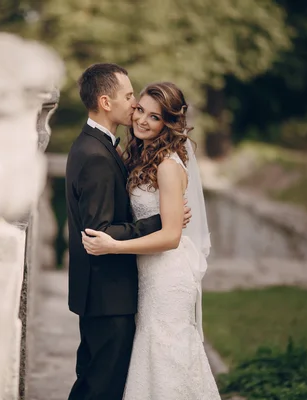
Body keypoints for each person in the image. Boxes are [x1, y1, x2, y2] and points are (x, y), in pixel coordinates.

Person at [81, 82, 220, 399]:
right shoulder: (141, 156)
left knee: (165, 357)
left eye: (154, 117)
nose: (142, 120)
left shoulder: (168, 165)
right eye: (140, 110)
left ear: (168, 123)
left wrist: (114, 246)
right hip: (147, 272)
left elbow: (171, 237)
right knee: (151, 357)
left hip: (167, 275)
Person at [65, 64, 191, 400]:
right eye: (129, 96)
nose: (135, 106)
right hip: (108, 292)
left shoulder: (98, 145)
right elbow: (99, 231)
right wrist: (159, 221)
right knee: (101, 386)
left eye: (153, 114)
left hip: (114, 288)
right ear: (106, 102)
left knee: (98, 380)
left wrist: (168, 220)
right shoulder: (96, 155)